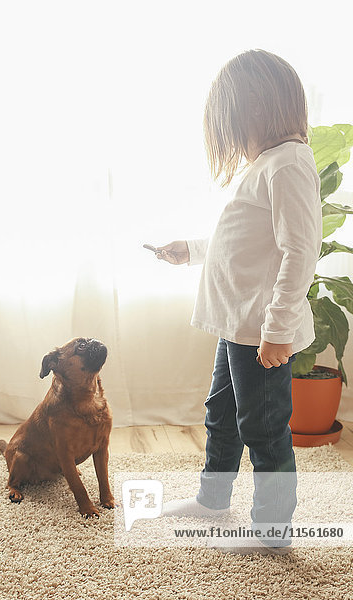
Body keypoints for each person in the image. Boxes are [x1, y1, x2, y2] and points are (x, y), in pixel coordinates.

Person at [154, 49, 322, 555]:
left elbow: (301, 249)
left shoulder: (288, 163)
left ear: (255, 110)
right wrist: (192, 251)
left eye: (230, 124)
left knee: (264, 428)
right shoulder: (268, 165)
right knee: (221, 414)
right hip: (238, 325)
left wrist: (278, 329)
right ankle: (212, 499)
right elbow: (245, 245)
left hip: (260, 332)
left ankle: (272, 532)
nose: (229, 138)